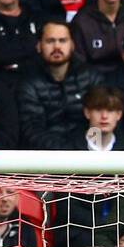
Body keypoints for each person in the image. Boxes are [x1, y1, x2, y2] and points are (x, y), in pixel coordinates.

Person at [16, 20, 101, 151]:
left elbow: (102, 121)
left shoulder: (90, 77)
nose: (57, 46)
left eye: (62, 41)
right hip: (46, 159)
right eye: (50, 41)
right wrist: (66, 153)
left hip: (88, 155)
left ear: (72, 45)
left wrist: (83, 150)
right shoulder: (28, 82)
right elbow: (32, 130)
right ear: (39, 46)